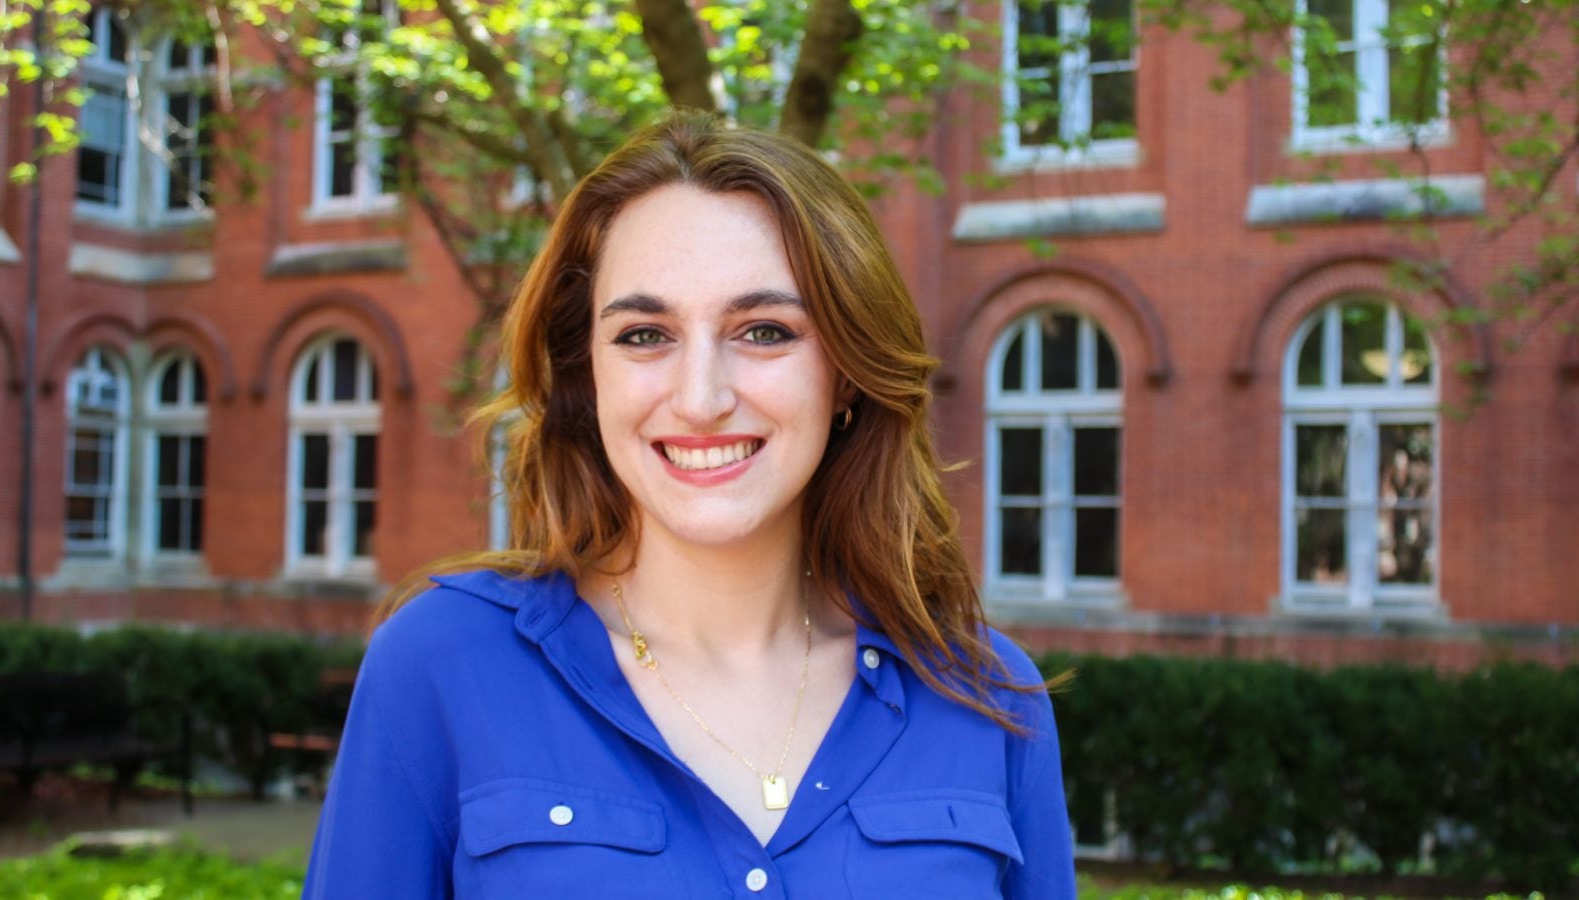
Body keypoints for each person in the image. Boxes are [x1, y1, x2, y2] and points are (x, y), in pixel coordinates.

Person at [302, 111, 1076, 898]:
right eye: (644, 335)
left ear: (845, 372)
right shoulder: (441, 662)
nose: (701, 399)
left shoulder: (982, 697)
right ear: (587, 372)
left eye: (765, 331)